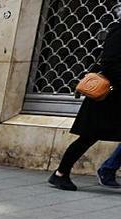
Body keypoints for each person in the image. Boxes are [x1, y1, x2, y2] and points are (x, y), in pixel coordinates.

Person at [51, 7, 121, 190]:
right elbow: (109, 62)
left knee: (89, 137)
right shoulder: (118, 30)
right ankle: (61, 173)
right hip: (107, 98)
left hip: (116, 99)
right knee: (87, 138)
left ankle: (108, 170)